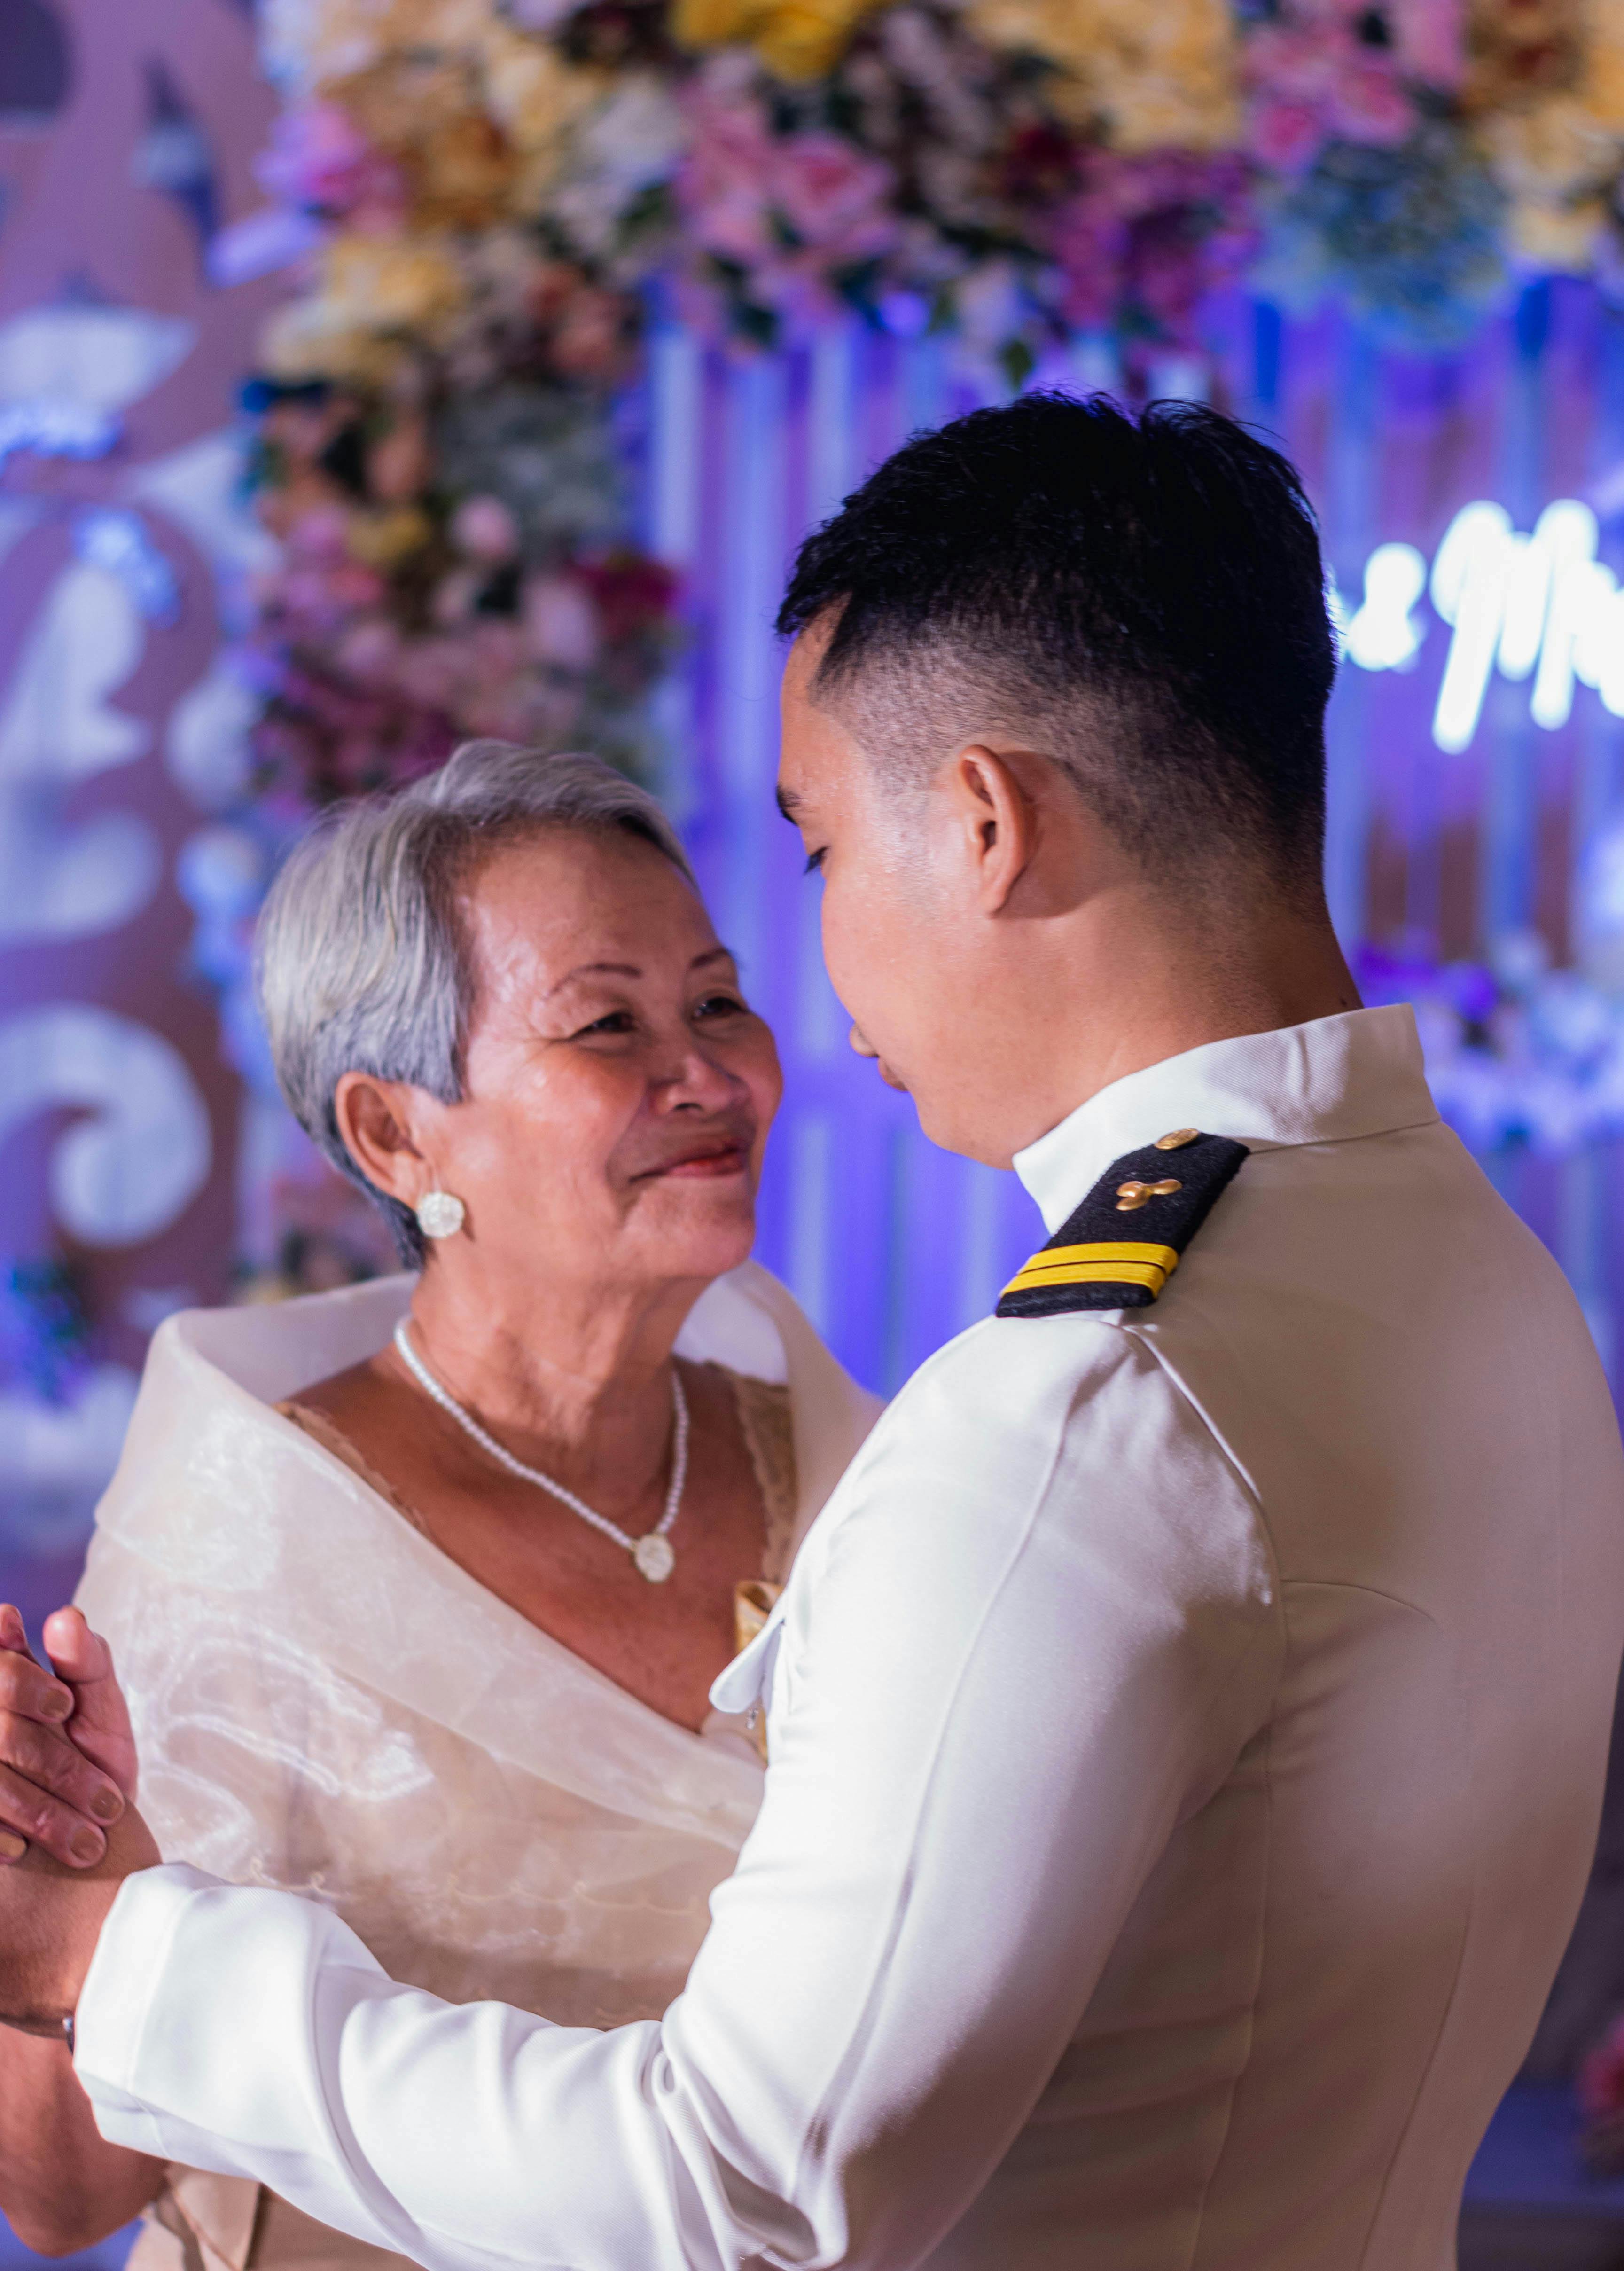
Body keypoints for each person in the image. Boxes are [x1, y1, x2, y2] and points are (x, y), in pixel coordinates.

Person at [0, 391, 1620, 2271]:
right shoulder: (1474, 1263)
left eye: (825, 855)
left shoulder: (1068, 1422)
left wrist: (114, 1956)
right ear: (392, 1130)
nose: (741, 1050)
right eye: (608, 1025)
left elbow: (742, 2189)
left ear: (990, 824)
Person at [0, 744, 878, 2265]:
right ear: (398, 1136)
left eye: (717, 1000)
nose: (715, 1076)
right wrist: (64, 1899)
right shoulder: (255, 1531)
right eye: (610, 1022)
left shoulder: (848, 1461)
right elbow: (65, 2197)